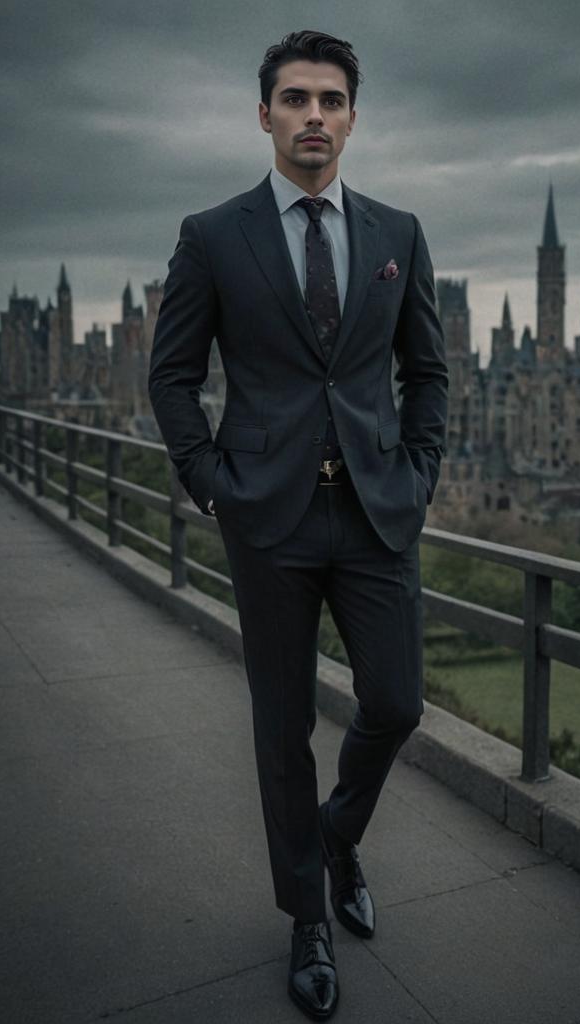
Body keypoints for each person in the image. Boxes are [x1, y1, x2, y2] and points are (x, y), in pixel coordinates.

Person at [147, 28, 447, 1020]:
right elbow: (173, 374)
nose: (313, 115)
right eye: (294, 99)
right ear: (264, 113)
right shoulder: (212, 234)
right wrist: (207, 479)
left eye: (330, 99)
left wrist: (420, 470)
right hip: (264, 516)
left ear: (351, 116)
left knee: (396, 703)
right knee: (281, 731)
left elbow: (428, 372)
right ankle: (307, 916)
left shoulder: (398, 233)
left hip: (373, 512)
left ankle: (336, 834)